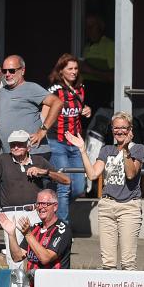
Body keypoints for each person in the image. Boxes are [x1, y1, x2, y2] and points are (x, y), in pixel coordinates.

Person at [0, 130, 69, 268]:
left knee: (39, 255)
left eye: (19, 144)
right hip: (12, 214)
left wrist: (45, 172)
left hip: (36, 213)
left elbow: (66, 181)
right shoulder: (3, 159)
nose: (15, 147)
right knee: (14, 261)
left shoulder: (38, 161)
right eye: (13, 144)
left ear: (28, 146)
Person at [66, 112, 144, 270]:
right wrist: (82, 150)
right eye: (116, 128)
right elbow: (93, 174)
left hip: (129, 207)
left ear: (130, 129)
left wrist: (126, 149)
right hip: (107, 206)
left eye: (123, 128)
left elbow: (130, 174)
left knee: (128, 263)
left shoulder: (138, 149)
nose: (120, 131)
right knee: (108, 264)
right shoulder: (107, 150)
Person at [0, 189, 72, 287]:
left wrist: (28, 234)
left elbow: (45, 258)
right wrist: (11, 234)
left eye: (45, 204)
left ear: (55, 206)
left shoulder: (62, 230)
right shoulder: (34, 228)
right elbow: (17, 257)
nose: (41, 207)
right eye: (38, 204)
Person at [47, 54, 91, 222]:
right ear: (61, 71)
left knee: (79, 187)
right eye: (69, 69)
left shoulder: (80, 88)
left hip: (75, 144)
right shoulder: (54, 90)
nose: (74, 72)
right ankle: (62, 228)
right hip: (57, 142)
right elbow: (44, 113)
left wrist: (87, 109)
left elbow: (80, 110)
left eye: (76, 68)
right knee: (65, 186)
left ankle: (53, 207)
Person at [0, 55, 63, 156]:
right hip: (9, 153)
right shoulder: (3, 91)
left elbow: (57, 103)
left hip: (32, 153)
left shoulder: (31, 88)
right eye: (4, 71)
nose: (7, 74)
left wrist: (43, 131)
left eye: (11, 70)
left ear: (22, 71)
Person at [80, 14, 114, 110]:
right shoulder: (86, 46)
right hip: (84, 91)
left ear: (101, 27)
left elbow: (114, 77)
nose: (88, 30)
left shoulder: (110, 46)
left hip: (100, 92)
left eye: (92, 26)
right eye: (86, 27)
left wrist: (89, 70)